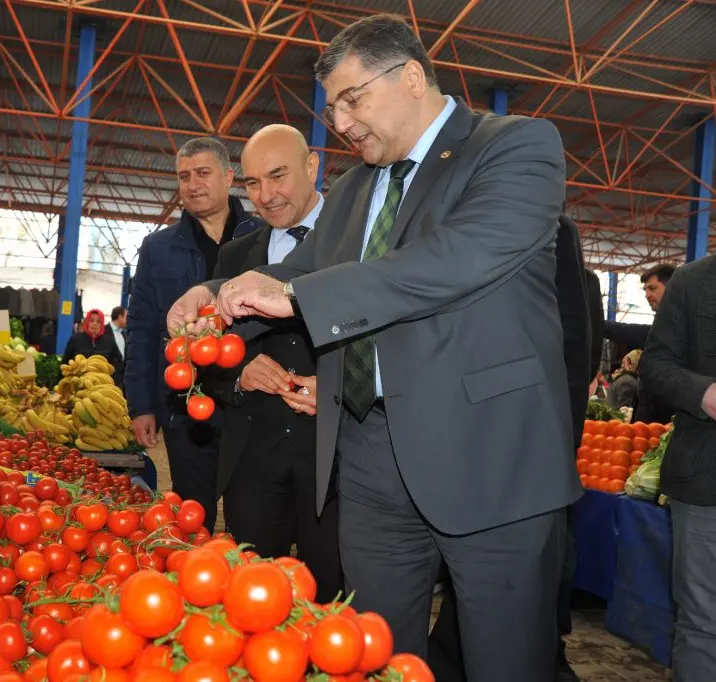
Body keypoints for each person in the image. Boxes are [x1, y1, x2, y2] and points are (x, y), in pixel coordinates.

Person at [167, 14, 579, 680]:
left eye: (353, 99)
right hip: (367, 456)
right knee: (374, 656)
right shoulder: (358, 184)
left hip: (489, 455)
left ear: (411, 77)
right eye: (333, 110)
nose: (343, 122)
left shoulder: (517, 146)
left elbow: (457, 258)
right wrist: (220, 296)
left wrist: (300, 297)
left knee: (506, 660)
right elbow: (307, 273)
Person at [427, 213, 593, 682]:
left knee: (530, 581)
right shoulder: (439, 216)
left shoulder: (552, 229)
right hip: (443, 432)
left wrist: (563, 442)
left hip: (525, 439)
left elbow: (574, 347)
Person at [208, 124, 343, 602]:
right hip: (252, 456)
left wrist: (334, 388)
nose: (265, 195)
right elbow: (207, 351)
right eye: (252, 183)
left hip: (335, 457)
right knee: (250, 597)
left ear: (312, 167)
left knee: (331, 599)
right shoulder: (236, 254)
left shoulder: (357, 245)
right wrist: (237, 370)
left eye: (278, 176)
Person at [125, 137, 263, 532]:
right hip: (185, 404)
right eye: (184, 176)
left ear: (228, 176)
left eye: (203, 173)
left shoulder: (265, 236)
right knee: (191, 516)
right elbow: (142, 329)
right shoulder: (158, 248)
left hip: (249, 402)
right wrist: (141, 405)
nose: (192, 184)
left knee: (250, 515)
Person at [638, 255, 716, 681]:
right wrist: (704, 393)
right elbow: (656, 365)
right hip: (706, 481)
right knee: (704, 624)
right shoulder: (691, 282)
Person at [603, 263, 677, 350]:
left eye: (652, 288)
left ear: (671, 287)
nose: (647, 295)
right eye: (645, 290)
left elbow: (646, 335)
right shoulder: (664, 321)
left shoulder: (682, 321)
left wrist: (598, 324)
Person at [62, 309, 124, 384]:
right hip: (77, 382)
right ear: (87, 322)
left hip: (102, 384)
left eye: (98, 321)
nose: (95, 324)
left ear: (102, 325)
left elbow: (119, 362)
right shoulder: (75, 339)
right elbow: (65, 362)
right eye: (91, 320)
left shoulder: (109, 341)